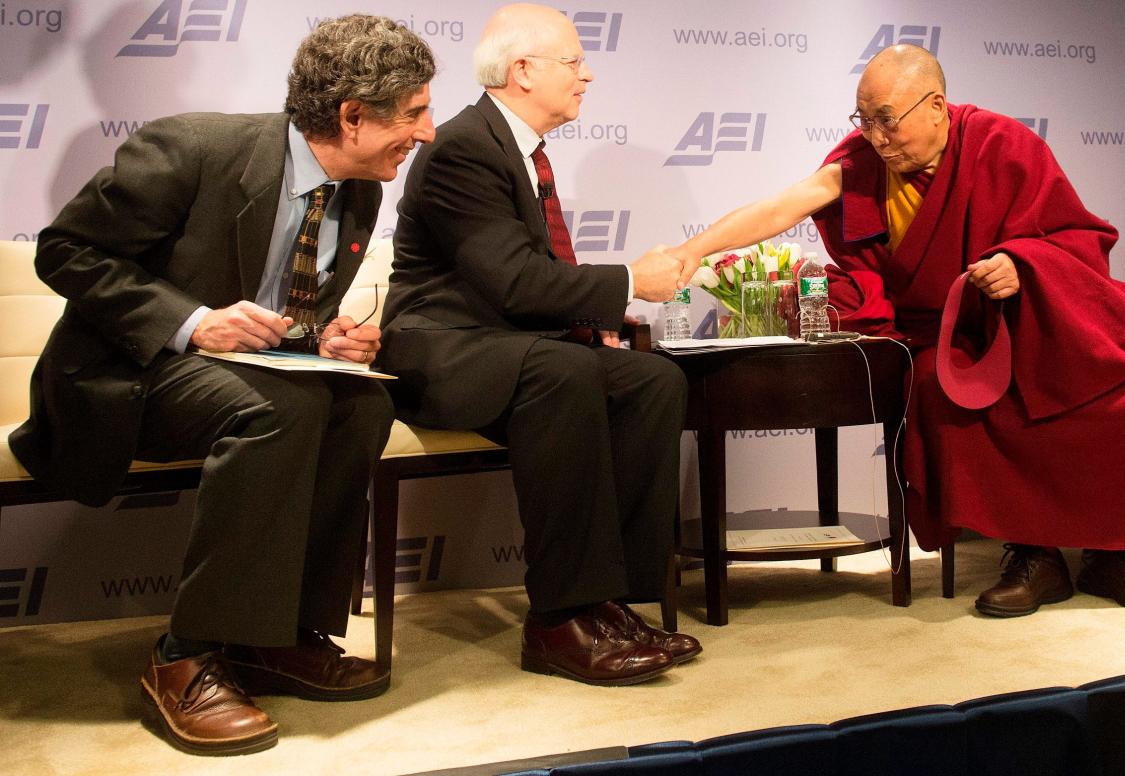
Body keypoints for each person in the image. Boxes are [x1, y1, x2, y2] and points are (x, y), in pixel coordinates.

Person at [671, 44, 1125, 618]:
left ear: (937, 105)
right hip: (944, 332)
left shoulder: (1003, 145)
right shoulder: (864, 165)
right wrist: (690, 252)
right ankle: (1033, 556)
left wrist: (1023, 264)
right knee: (948, 391)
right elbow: (782, 207)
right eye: (863, 120)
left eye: (887, 120)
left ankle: (1114, 552)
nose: (876, 137)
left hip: (1040, 318)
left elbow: (1075, 237)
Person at [9, 15, 438, 755]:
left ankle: (274, 638)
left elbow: (286, 301)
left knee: (363, 403)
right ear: (352, 116)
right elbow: (66, 252)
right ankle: (186, 656)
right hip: (128, 375)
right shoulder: (193, 148)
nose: (426, 133)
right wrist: (192, 320)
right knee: (282, 408)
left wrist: (321, 334)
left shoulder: (362, 187)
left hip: (239, 378)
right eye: (414, 113)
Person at [379, 2, 700, 686]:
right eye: (574, 62)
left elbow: (530, 283)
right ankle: (559, 619)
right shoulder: (464, 147)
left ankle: (614, 601)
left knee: (652, 381)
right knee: (561, 372)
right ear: (521, 71)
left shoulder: (519, 150)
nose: (587, 76)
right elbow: (516, 283)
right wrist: (628, 281)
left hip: (509, 348)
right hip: (441, 351)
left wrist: (594, 327)